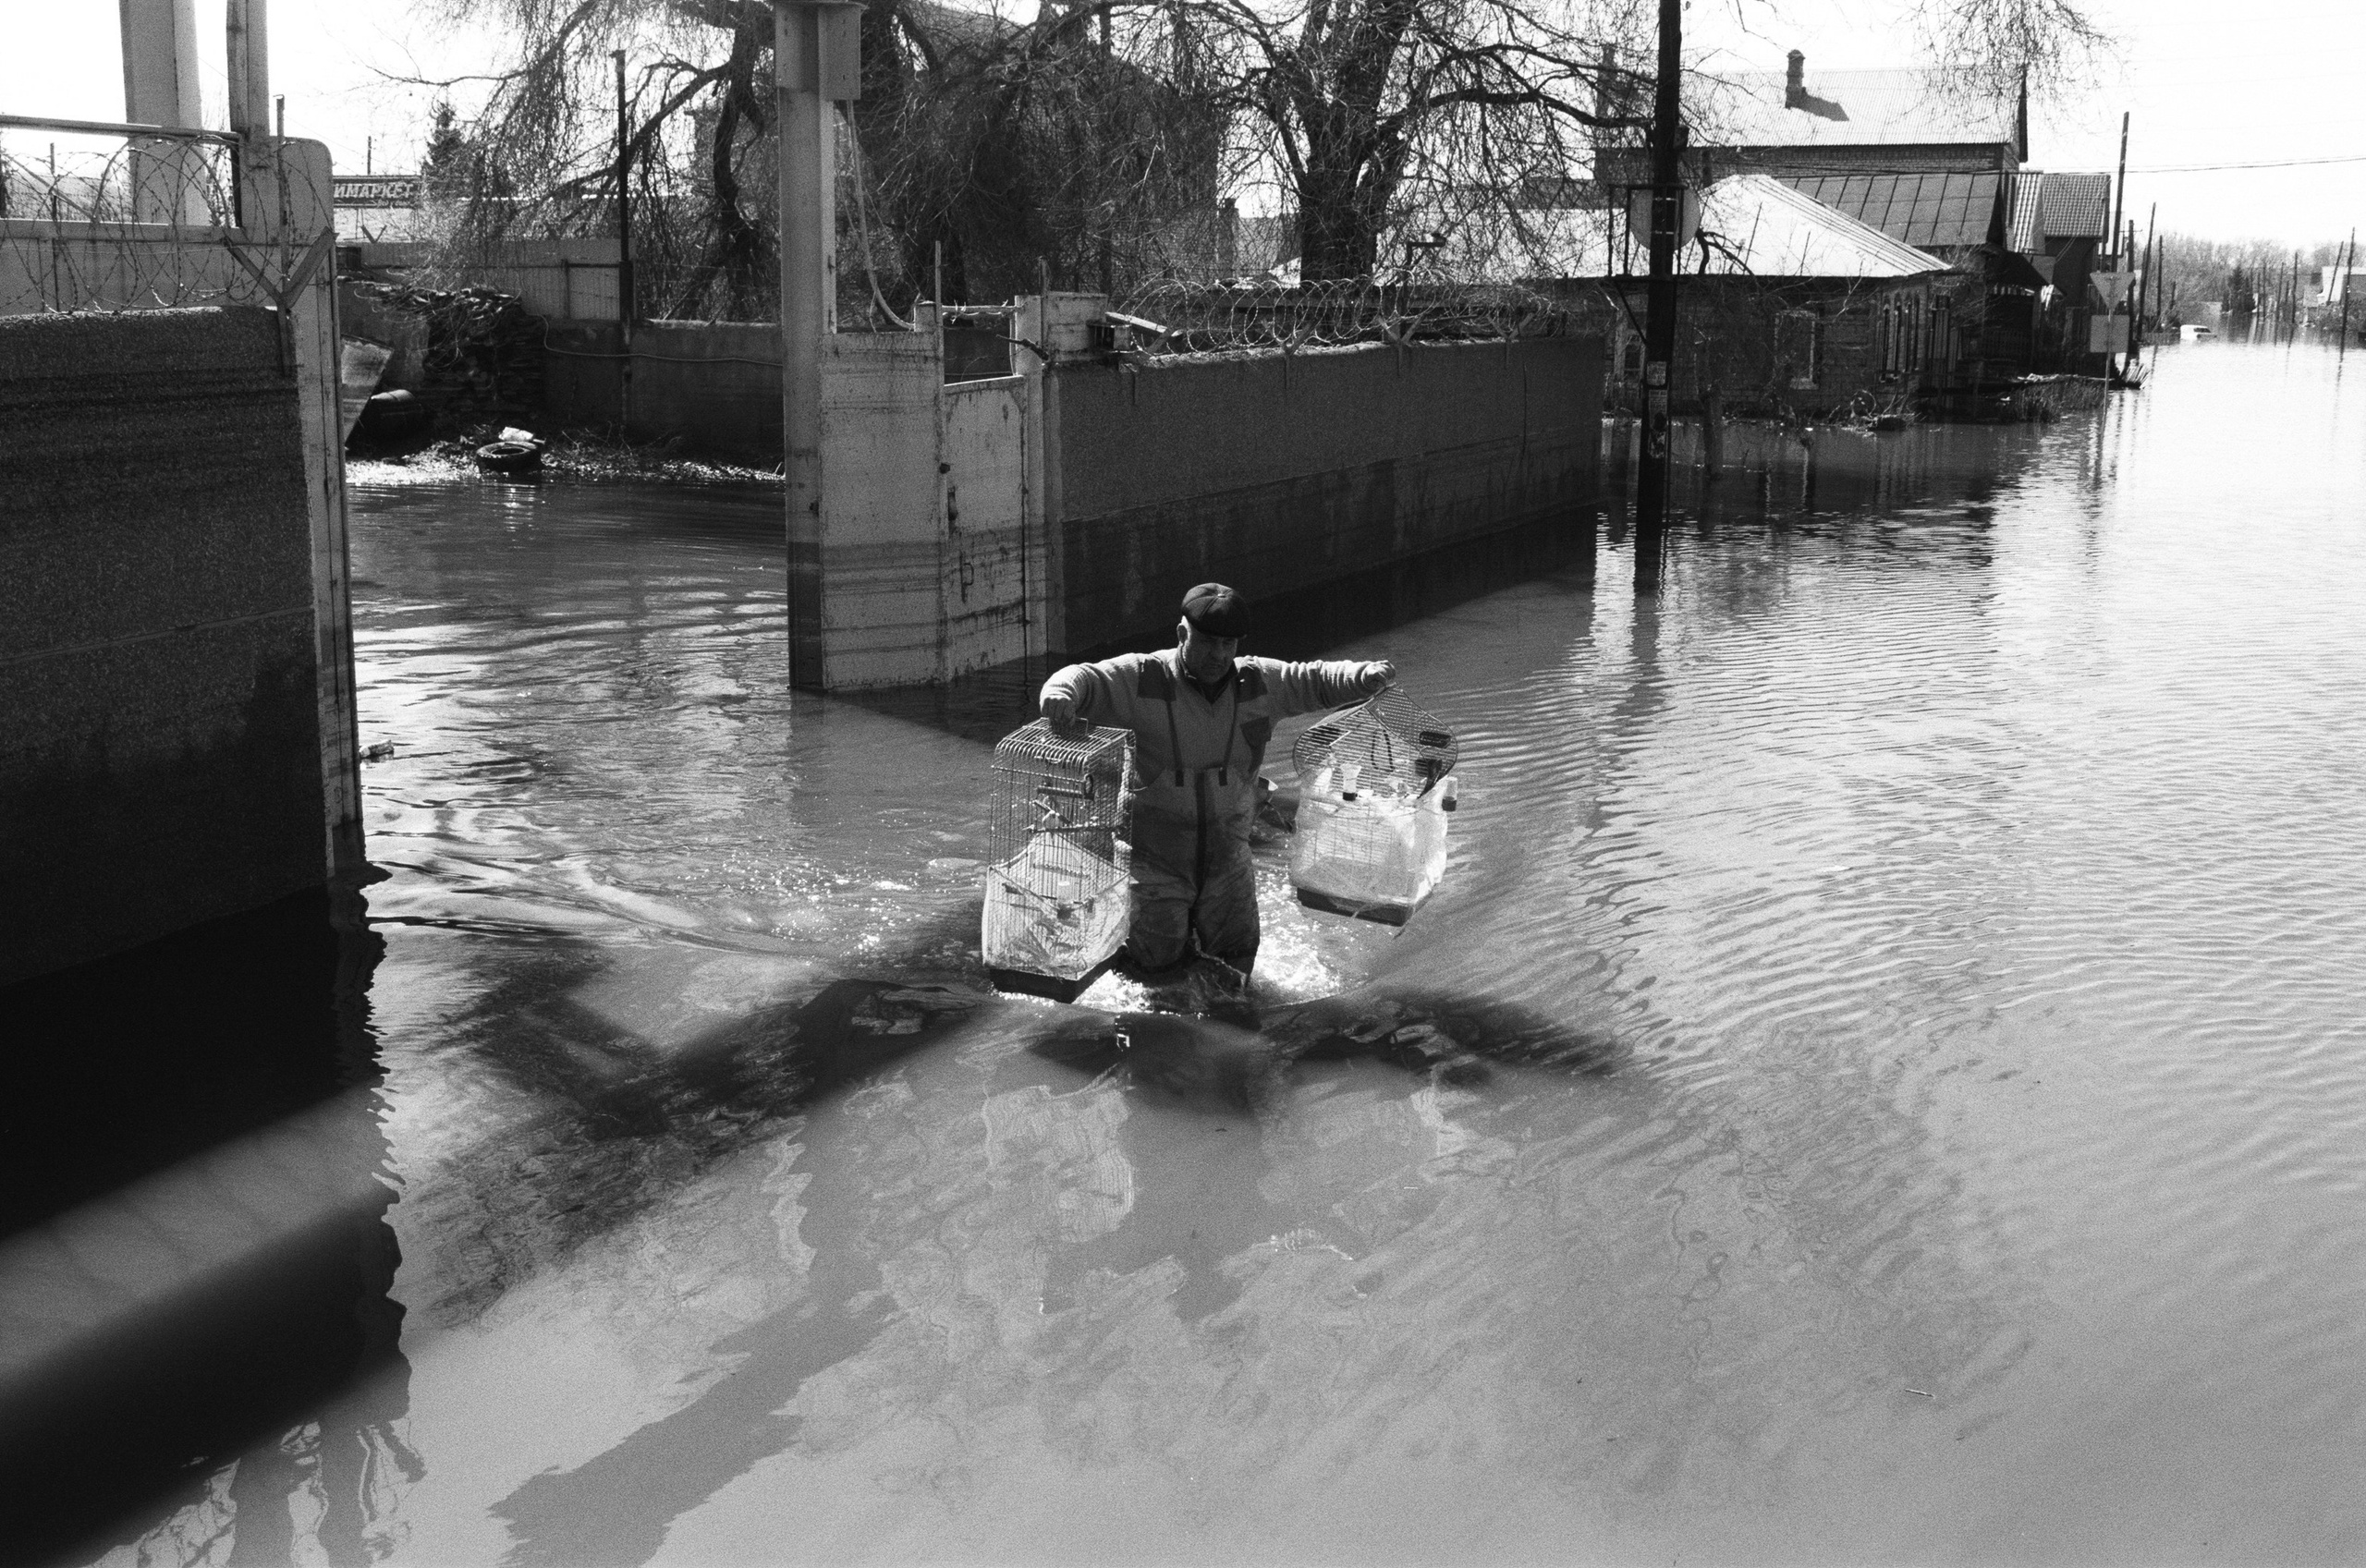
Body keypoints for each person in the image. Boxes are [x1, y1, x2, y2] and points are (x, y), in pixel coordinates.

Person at [1039, 582, 1395, 981]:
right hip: (1153, 862)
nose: (1220, 655)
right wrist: (1059, 692)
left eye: (1230, 644)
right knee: (1153, 971)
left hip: (1228, 860)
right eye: (1208, 642)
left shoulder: (1259, 682)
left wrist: (1364, 675)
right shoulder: (1144, 677)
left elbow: (1314, 679)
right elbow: (1084, 677)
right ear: (1181, 634)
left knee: (1237, 961)